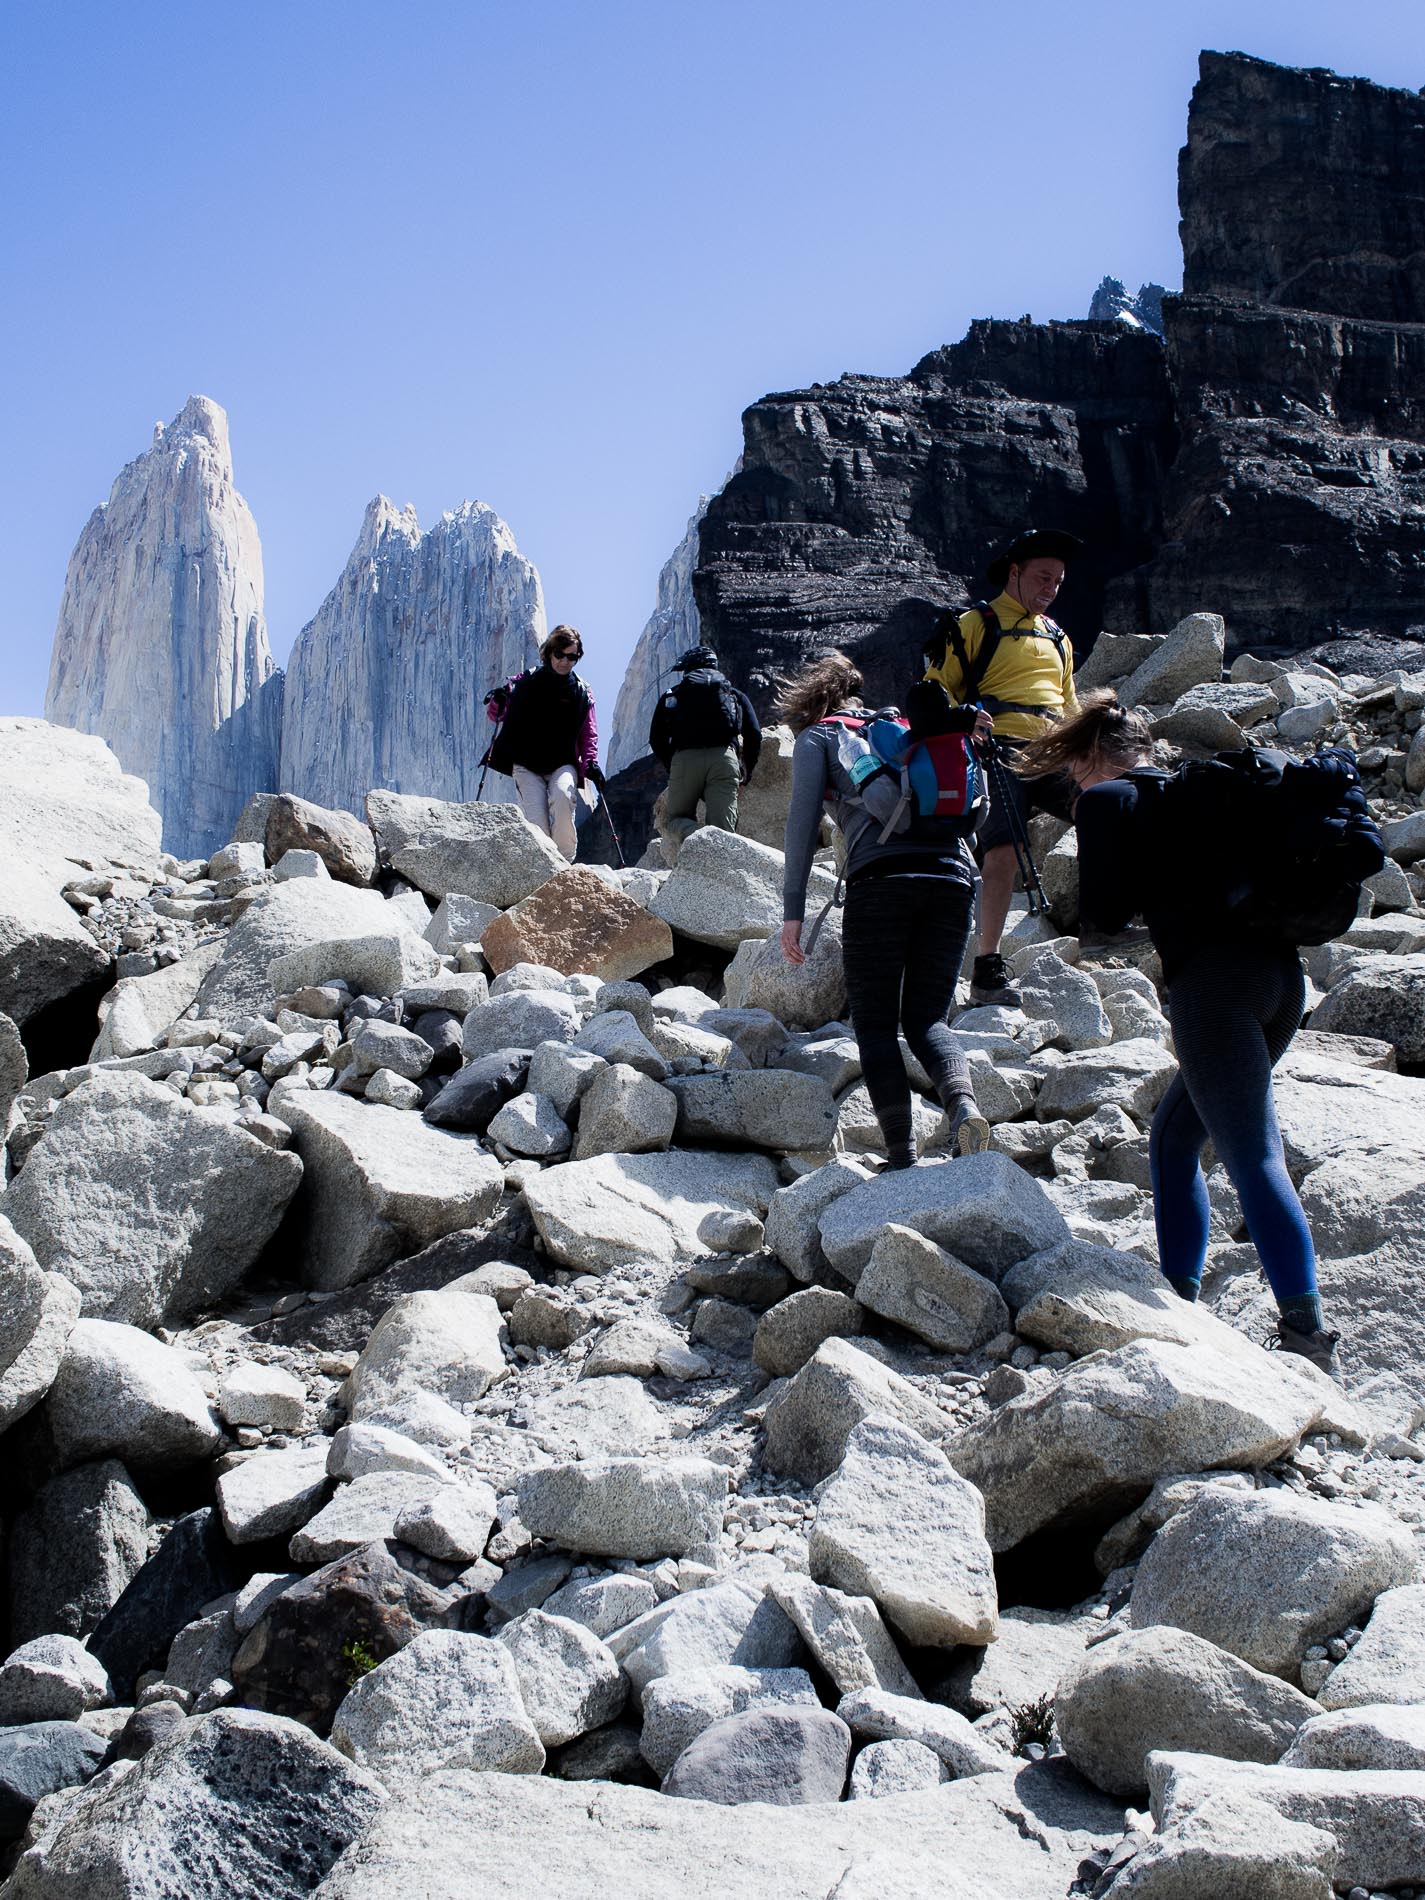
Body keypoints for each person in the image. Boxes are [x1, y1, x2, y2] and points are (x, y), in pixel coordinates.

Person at [1017, 689, 1341, 1376]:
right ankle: (1180, 1296)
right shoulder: (1202, 794)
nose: (1075, 785)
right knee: (1174, 1136)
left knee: (1253, 1155)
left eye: (1074, 771)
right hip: (1282, 981)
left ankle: (1307, 1334)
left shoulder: (1108, 801)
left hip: (1214, 989)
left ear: (1095, 757)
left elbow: (1101, 915)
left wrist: (1139, 911)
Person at [778, 650, 992, 1166]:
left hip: (881, 884)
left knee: (875, 1025)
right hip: (953, 878)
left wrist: (793, 911)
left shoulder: (820, 737)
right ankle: (963, 1108)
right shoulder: (906, 727)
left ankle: (902, 1152)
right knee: (927, 1020)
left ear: (808, 701)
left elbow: (802, 827)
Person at [924, 527, 1081, 1007]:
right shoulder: (973, 624)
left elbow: (1070, 707)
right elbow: (933, 692)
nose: (1050, 589)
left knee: (1107, 811)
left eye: (1056, 581)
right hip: (997, 752)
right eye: (1041, 577)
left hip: (1052, 753)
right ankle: (987, 968)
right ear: (1014, 573)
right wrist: (965, 720)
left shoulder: (1059, 639)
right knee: (1003, 854)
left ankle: (1105, 921)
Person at [484, 626, 601, 860]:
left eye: (572, 657)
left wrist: (590, 764)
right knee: (536, 823)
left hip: (562, 763)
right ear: (549, 653)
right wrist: (498, 700)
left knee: (563, 797)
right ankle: (546, 866)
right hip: (526, 765)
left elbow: (589, 734)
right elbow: (496, 714)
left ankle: (565, 865)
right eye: (560, 654)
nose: (565, 662)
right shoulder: (525, 682)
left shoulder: (581, 692)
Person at [649, 645, 762, 844]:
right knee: (724, 831)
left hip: (685, 760)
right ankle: (714, 841)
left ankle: (697, 834)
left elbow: (656, 738)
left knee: (675, 820)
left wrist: (672, 765)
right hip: (724, 759)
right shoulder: (734, 694)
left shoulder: (671, 695)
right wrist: (748, 769)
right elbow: (754, 734)